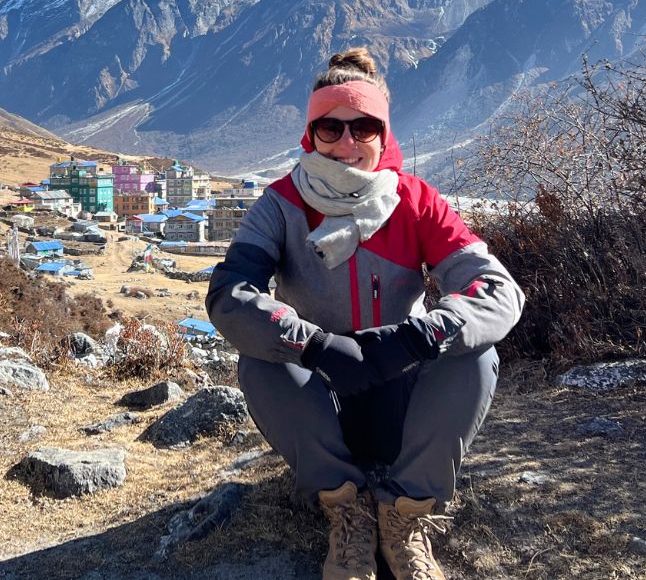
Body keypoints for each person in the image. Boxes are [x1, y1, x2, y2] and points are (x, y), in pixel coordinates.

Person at [206, 48, 524, 580]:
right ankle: (345, 508)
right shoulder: (280, 205)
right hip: (322, 393)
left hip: (403, 390)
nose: (347, 143)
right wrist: (313, 345)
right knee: (259, 360)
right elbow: (229, 293)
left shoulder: (418, 202)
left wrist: (419, 337)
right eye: (330, 127)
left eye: (364, 126)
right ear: (310, 134)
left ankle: (407, 514)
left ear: (384, 132)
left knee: (475, 356)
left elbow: (497, 290)